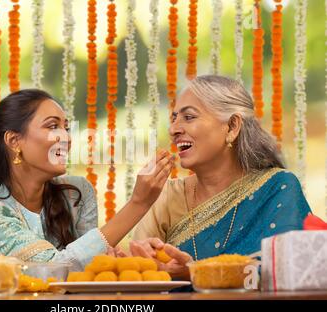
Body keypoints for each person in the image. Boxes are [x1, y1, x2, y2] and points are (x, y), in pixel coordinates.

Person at [0, 89, 174, 271]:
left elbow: (87, 270)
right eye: (52, 126)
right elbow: (55, 268)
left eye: (66, 127)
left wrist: (121, 260)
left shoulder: (75, 194)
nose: (66, 137)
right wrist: (138, 203)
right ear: (14, 141)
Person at [131, 75, 312, 279]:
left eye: (188, 117)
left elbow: (291, 273)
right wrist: (144, 262)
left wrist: (198, 273)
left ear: (232, 126)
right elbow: (137, 281)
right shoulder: (165, 197)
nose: (173, 130)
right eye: (173, 118)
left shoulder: (277, 188)